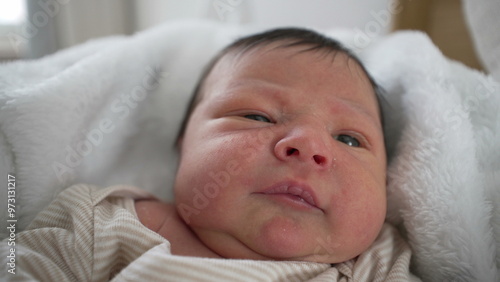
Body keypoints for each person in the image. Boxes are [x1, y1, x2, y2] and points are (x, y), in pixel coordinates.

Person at [2, 28, 419, 281]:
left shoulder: (374, 263)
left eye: (349, 139)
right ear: (185, 142)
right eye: (257, 115)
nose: (309, 145)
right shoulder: (107, 225)